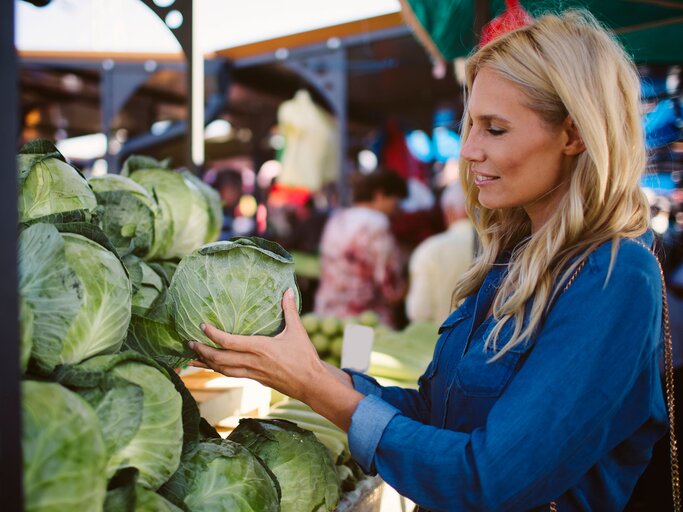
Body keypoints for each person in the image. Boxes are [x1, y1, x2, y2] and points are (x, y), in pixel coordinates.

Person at [188, 10, 667, 511]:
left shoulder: (616, 278)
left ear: (573, 134)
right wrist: (310, 372)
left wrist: (313, 385)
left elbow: (487, 477)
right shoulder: (511, 262)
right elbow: (435, 418)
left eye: (495, 129)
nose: (468, 149)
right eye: (470, 125)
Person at [313, 168, 408, 327]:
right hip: (362, 323)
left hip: (326, 318)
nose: (396, 208)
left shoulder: (337, 218)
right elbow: (391, 290)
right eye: (395, 200)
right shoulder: (377, 224)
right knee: (356, 354)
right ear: (380, 195)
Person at [405, 180, 475, 324]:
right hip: (488, 344)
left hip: (436, 342)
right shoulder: (503, 247)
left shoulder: (430, 250)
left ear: (449, 211)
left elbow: (419, 312)